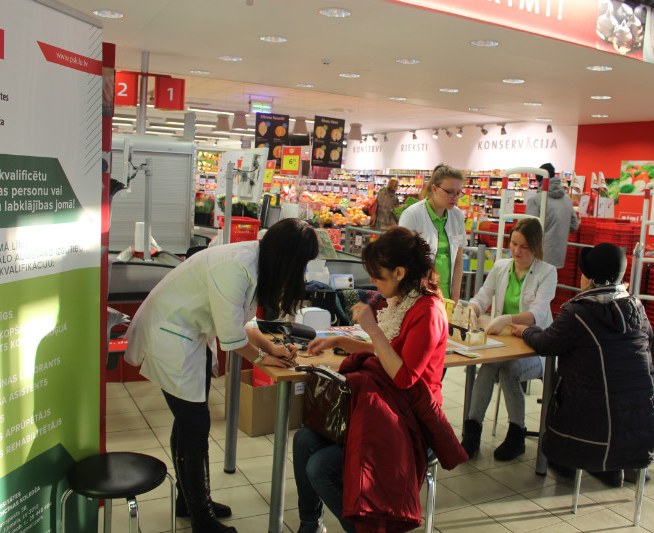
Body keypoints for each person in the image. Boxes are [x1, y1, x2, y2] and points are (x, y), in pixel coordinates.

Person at [123, 218, 319, 533]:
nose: (302, 271)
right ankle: (202, 518)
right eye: (302, 263)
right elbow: (232, 337)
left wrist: (270, 347)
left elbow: (243, 320)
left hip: (190, 335)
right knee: (194, 424)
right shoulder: (236, 265)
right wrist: (262, 358)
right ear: (288, 256)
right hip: (170, 334)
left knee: (189, 423)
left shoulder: (257, 261)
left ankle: (190, 502)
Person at [293, 227, 465, 533]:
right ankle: (311, 524)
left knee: (320, 468)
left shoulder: (428, 311)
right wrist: (341, 341)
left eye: (378, 276)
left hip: (411, 419)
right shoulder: (402, 300)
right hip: (387, 405)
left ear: (400, 272)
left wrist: (371, 328)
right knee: (303, 439)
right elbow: (387, 353)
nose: (373, 282)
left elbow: (404, 376)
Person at [510, 243, 654, 486]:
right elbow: (649, 343)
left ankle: (585, 463)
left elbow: (546, 344)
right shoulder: (636, 307)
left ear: (591, 279)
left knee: (580, 398)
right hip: (646, 418)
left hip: (595, 425)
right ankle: (619, 465)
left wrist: (526, 331)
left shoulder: (580, 312)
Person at [461, 217, 557, 461]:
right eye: (513, 244)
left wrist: (506, 319)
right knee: (486, 368)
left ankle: (517, 434)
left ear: (536, 246)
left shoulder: (547, 272)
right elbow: (483, 296)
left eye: (524, 246)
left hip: (536, 346)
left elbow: (537, 313)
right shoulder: (502, 267)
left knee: (510, 372)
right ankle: (472, 432)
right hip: (506, 342)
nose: (516, 251)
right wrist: (472, 310)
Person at [399, 163, 466, 300]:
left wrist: (455, 298)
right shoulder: (412, 215)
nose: (454, 197)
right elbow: (401, 261)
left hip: (446, 296)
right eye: (449, 192)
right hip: (417, 296)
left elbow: (458, 260)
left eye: (458, 193)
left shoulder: (457, 216)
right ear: (434, 189)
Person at [525, 163, 579, 268]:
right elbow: (574, 226)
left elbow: (527, 229)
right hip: (559, 257)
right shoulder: (568, 200)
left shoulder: (536, 200)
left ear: (539, 180)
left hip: (537, 257)